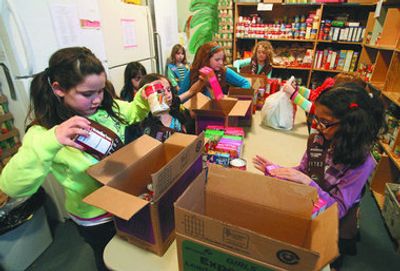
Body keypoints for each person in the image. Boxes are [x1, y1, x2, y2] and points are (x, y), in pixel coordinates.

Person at [0, 47, 151, 271]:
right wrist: (52, 141)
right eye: (87, 94)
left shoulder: (105, 109)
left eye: (100, 90)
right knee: (108, 259)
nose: (97, 99)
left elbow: (131, 112)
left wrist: (145, 97)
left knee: (131, 253)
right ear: (58, 89)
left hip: (125, 200)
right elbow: (12, 186)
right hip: (95, 216)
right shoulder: (44, 133)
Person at [253, 83, 385, 270]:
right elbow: (304, 170)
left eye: (325, 122)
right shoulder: (319, 139)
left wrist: (306, 182)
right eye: (316, 118)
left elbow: (337, 210)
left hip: (335, 224)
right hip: (311, 207)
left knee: (326, 259)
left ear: (350, 125)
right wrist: (278, 170)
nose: (317, 126)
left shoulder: (362, 163)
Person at [283, 72, 367, 133]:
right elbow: (315, 94)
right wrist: (297, 89)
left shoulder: (335, 108)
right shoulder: (332, 97)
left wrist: (293, 95)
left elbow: (313, 108)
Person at [125, 73, 195, 143]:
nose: (168, 95)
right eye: (160, 91)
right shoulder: (142, 126)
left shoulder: (177, 109)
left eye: (168, 89)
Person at [179, 41, 251, 101]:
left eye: (222, 59)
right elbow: (180, 97)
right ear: (206, 59)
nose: (221, 63)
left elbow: (246, 83)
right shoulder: (192, 73)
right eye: (217, 60)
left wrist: (234, 97)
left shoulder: (223, 71)